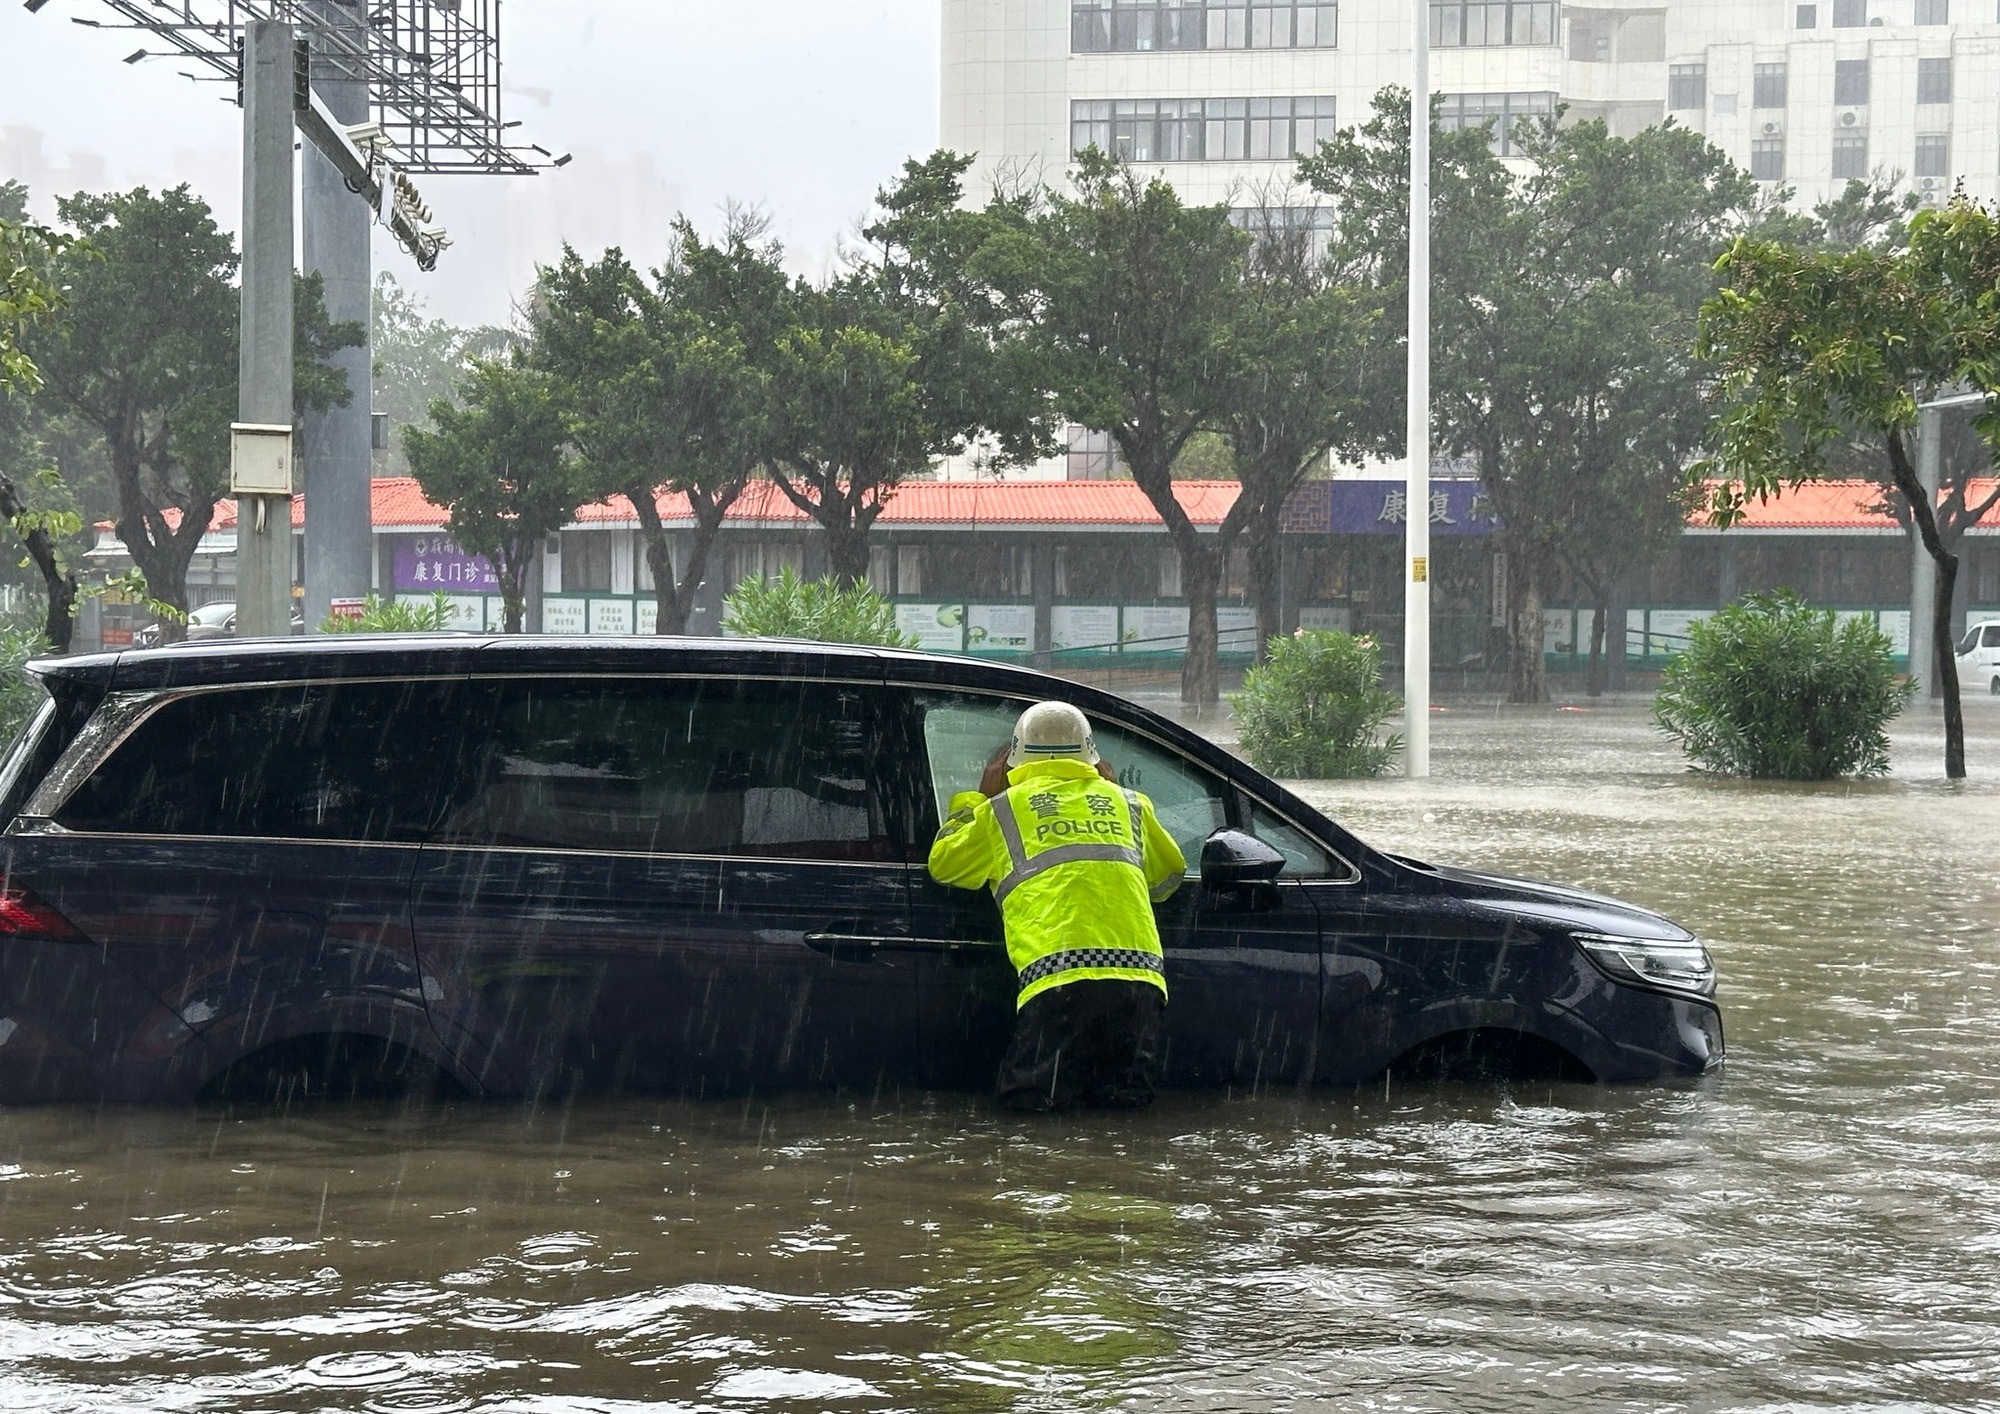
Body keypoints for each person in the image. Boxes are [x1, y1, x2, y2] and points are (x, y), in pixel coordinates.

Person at [927, 701, 1185, 1110]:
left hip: (1059, 981)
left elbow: (944, 863)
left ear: (1012, 762)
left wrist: (976, 798)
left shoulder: (1002, 810)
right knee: (1123, 1110)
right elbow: (1169, 878)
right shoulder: (1130, 804)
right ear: (1093, 757)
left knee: (1034, 1110)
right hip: (1139, 985)